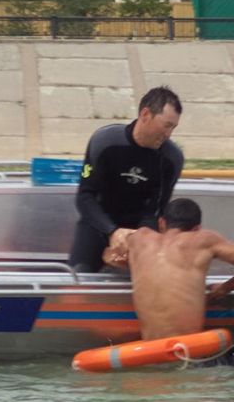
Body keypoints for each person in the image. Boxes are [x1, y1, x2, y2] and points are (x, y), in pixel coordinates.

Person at [69, 86, 184, 272]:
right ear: (146, 114)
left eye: (174, 127)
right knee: (79, 274)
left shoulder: (171, 159)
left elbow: (156, 210)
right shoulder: (105, 142)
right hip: (98, 222)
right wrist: (112, 231)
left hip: (139, 229)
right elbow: (85, 197)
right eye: (166, 125)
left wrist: (135, 238)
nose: (169, 135)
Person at [122, 198, 234, 340]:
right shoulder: (203, 239)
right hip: (188, 351)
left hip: (149, 351)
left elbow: (108, 256)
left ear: (161, 223)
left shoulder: (139, 239)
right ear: (197, 228)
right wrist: (221, 290)